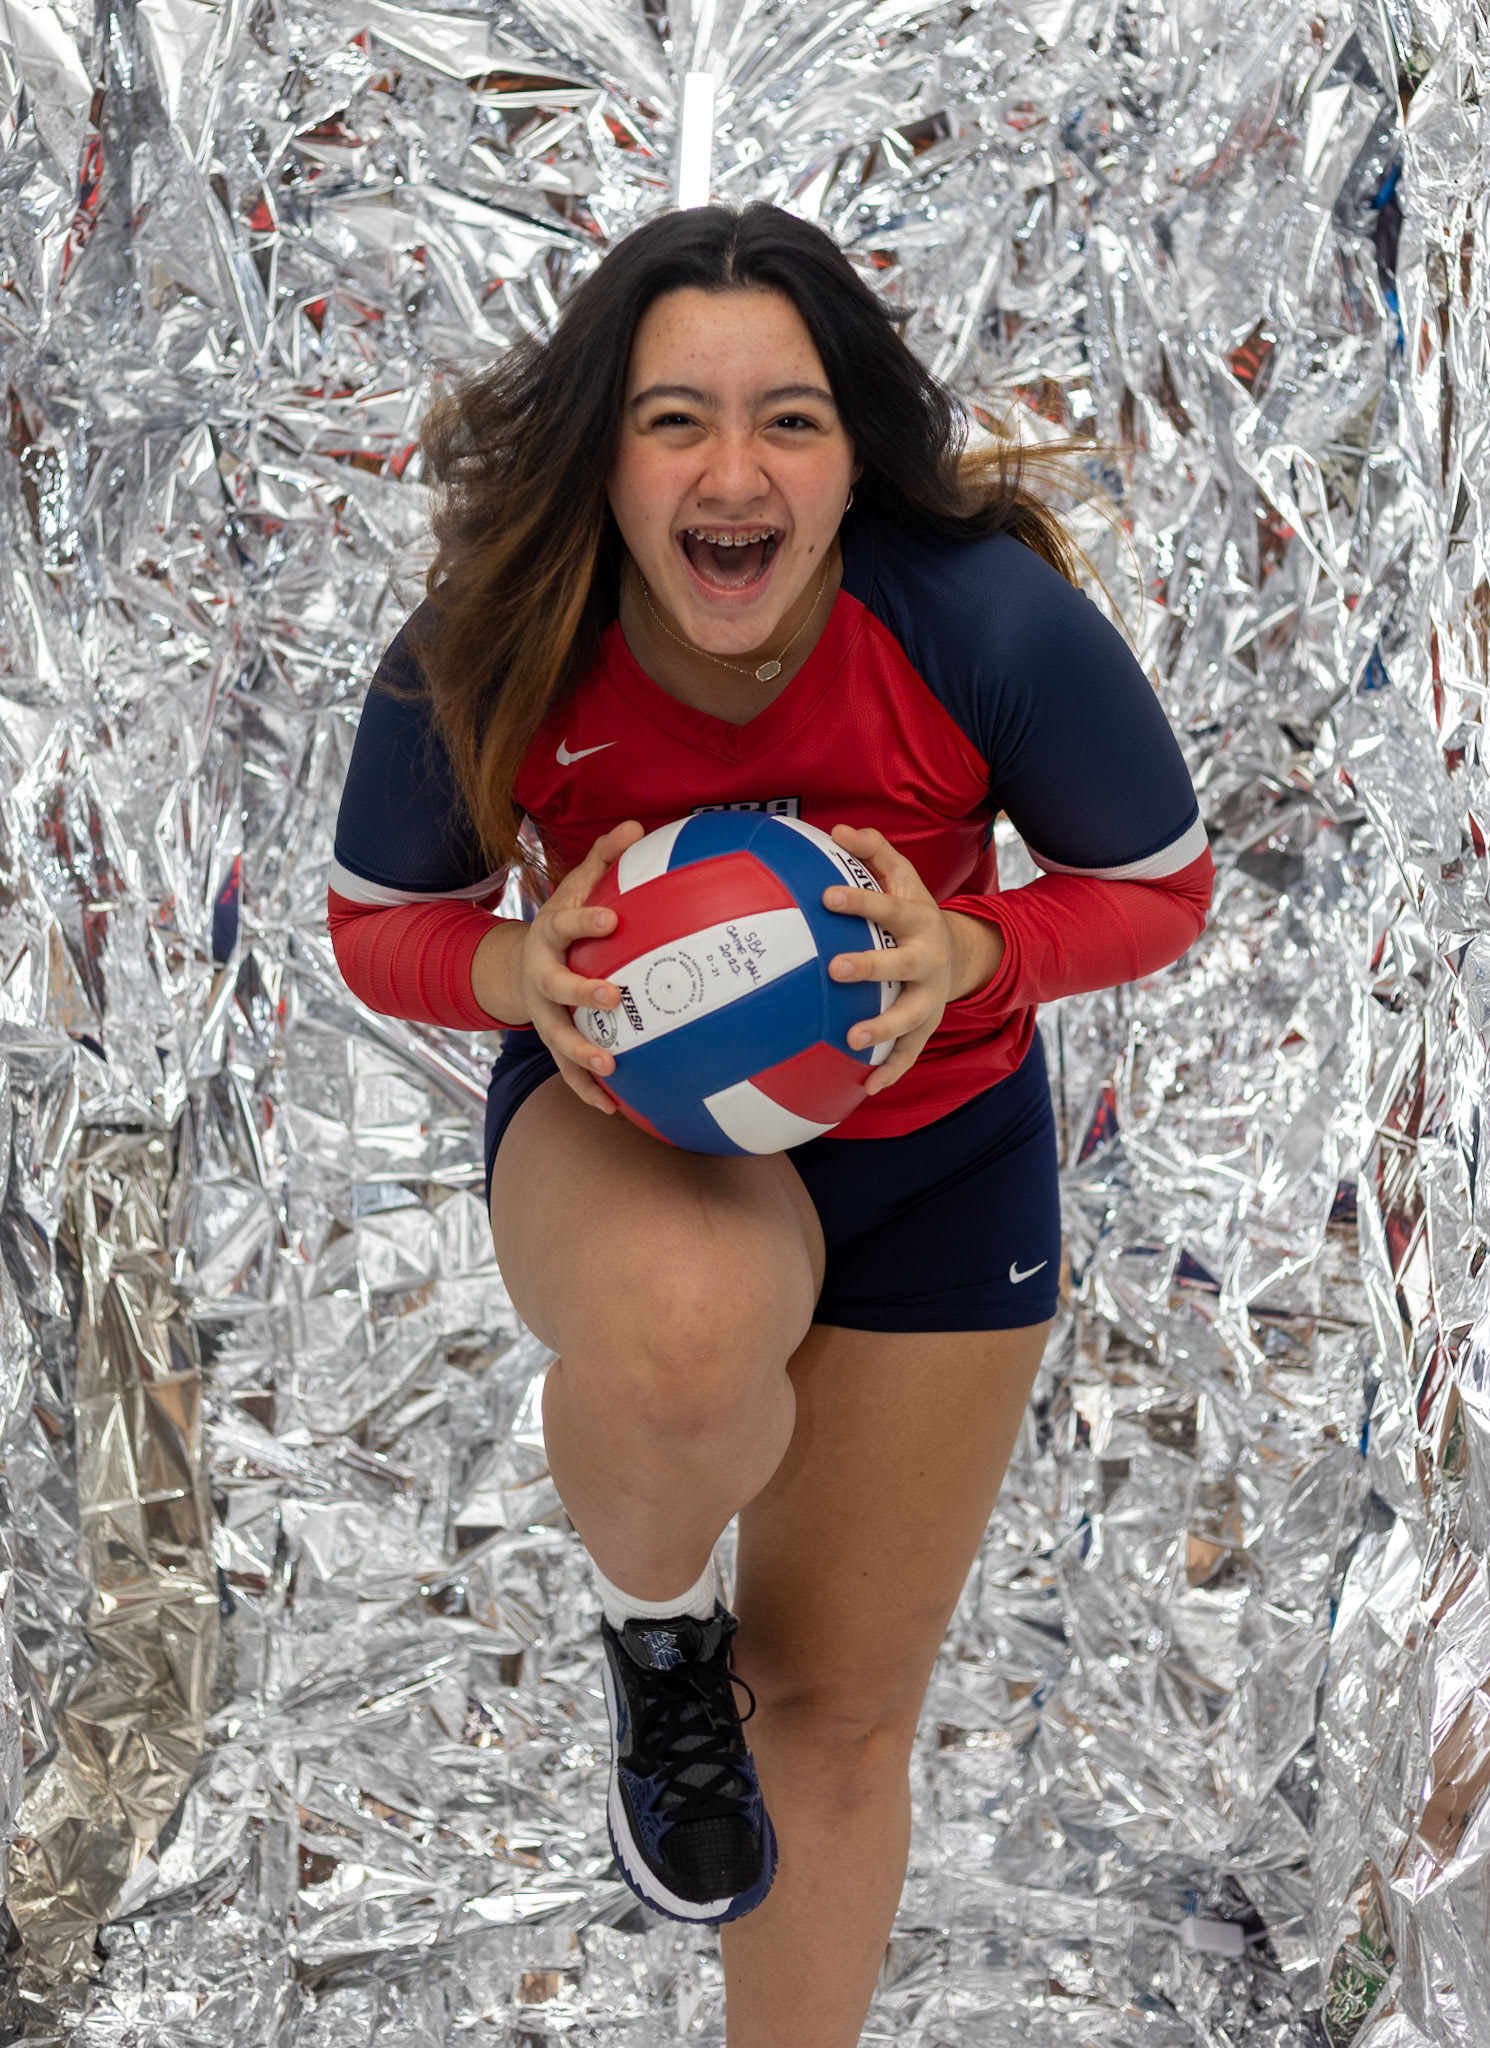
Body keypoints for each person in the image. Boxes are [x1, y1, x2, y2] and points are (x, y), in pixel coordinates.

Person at [328, 202, 1212, 2047]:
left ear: (846, 451)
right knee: (687, 1330)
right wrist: (521, 977)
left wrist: (971, 944)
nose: (732, 469)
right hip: (635, 1132)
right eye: (672, 418)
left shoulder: (975, 620)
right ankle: (660, 1645)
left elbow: (1157, 885)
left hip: (940, 1151)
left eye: (788, 419)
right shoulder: (503, 628)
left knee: (827, 1712)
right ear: (607, 450)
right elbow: (371, 925)